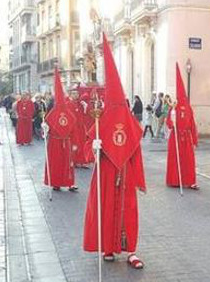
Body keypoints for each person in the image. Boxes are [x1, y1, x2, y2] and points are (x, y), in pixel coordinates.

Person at [83, 34, 146, 269]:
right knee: (107, 210)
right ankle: (108, 248)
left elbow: (137, 151)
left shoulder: (129, 121)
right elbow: (90, 156)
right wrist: (94, 147)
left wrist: (139, 179)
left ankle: (131, 251)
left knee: (128, 211)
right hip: (106, 173)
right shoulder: (101, 120)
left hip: (126, 174)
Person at [43, 69, 78, 192]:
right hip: (55, 142)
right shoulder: (52, 113)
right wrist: (45, 128)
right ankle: (55, 183)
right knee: (56, 164)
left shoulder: (69, 114)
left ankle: (69, 183)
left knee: (68, 164)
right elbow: (46, 125)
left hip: (66, 142)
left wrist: (74, 143)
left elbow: (73, 128)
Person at [165, 63, 199, 190]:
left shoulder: (188, 109)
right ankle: (175, 180)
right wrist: (172, 115)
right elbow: (169, 124)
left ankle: (190, 180)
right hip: (176, 137)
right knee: (176, 159)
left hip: (186, 137)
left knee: (188, 160)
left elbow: (192, 125)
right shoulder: (174, 108)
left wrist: (194, 140)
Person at [68, 89, 93, 168]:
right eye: (74, 94)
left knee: (82, 144)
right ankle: (74, 161)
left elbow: (86, 114)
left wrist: (86, 108)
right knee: (74, 144)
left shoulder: (80, 104)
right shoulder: (68, 104)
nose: (76, 95)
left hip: (81, 128)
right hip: (73, 128)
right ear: (70, 95)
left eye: (77, 94)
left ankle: (82, 161)